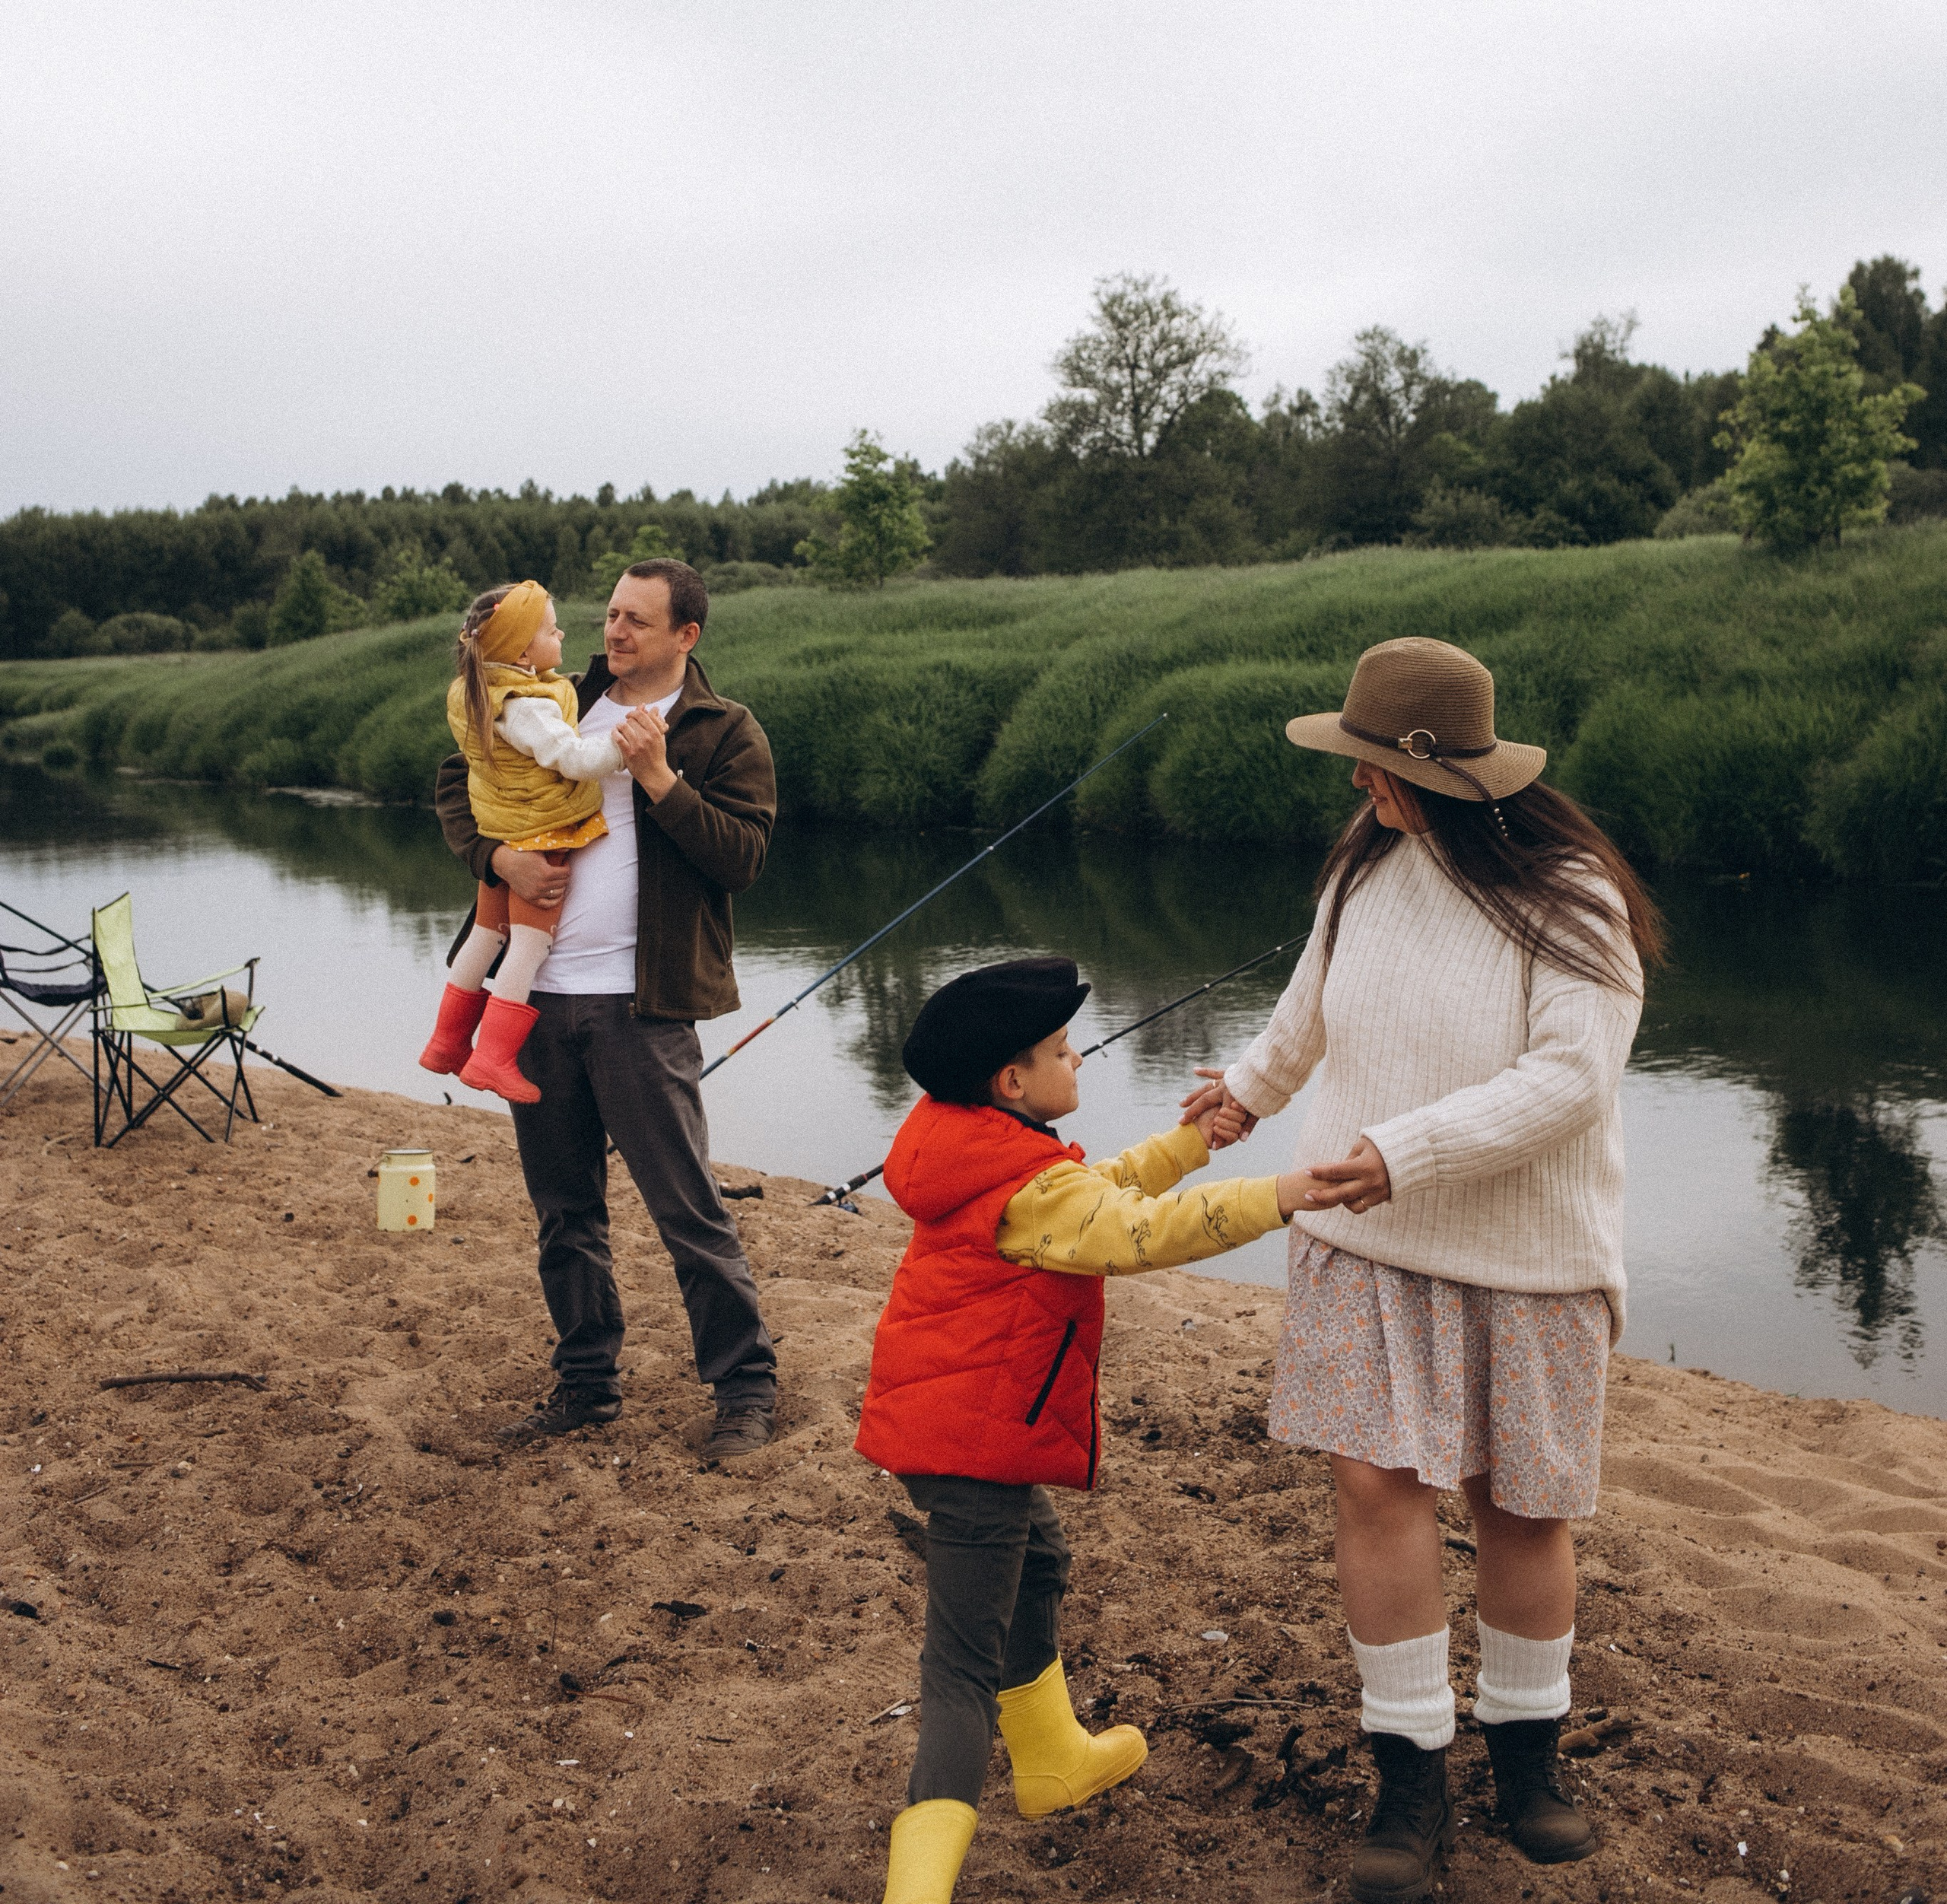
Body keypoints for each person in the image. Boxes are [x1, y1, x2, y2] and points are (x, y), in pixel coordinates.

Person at [1182, 634, 1662, 1900]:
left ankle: (1526, 1758)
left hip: (1527, 1254)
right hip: (1360, 1233)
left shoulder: (1573, 899)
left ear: (1436, 769)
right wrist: (1242, 1092)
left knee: (1522, 1507)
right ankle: (1408, 1772)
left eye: (1371, 766)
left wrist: (1407, 1152)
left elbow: (1571, 1079)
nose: (1356, 788)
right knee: (1373, 1489)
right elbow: (1310, 1014)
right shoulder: (1366, 871)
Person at [854, 954, 1316, 1904]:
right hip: (972, 1443)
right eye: (1065, 1051)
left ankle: (1054, 1758)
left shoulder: (970, 1144)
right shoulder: (1026, 1191)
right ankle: (916, 1890)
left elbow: (1104, 1189)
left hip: (957, 1426)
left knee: (1041, 1563)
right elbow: (1143, 1234)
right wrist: (1283, 1193)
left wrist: (1192, 1144)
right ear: (1012, 1083)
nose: (1081, 1062)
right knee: (956, 1673)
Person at [434, 558, 781, 1461]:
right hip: (534, 1003)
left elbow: (741, 857)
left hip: (643, 1006)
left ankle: (745, 1389)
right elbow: (455, 779)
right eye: (610, 615)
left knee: (686, 1208)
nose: (614, 633)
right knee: (564, 1210)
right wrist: (494, 860)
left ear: (685, 636)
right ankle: (587, 1385)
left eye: (637, 621)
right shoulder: (548, 699)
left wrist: (663, 783)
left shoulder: (722, 730)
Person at [420, 580, 643, 1103]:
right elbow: (575, 760)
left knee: (486, 934)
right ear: (521, 650)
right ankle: (494, 1057)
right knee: (529, 944)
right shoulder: (529, 706)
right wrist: (623, 746)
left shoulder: (480, 690)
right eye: (550, 627)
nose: (561, 631)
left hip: (504, 829)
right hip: (541, 834)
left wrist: (494, 853)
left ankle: (447, 1043)